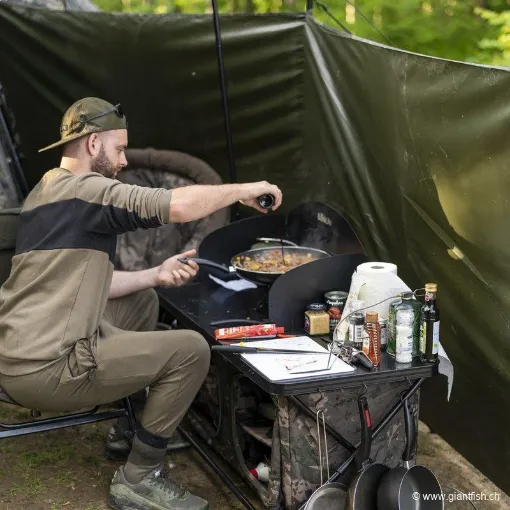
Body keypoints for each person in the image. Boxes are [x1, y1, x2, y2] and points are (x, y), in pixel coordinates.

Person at [0, 97, 283, 510]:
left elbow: (81, 281)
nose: (124, 159)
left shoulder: (44, 192)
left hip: (14, 355)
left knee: (142, 300)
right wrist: (245, 190)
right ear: (93, 144)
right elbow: (178, 206)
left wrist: (155, 274)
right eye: (119, 148)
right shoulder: (90, 191)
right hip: (47, 369)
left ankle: (130, 429)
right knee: (190, 350)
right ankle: (139, 476)